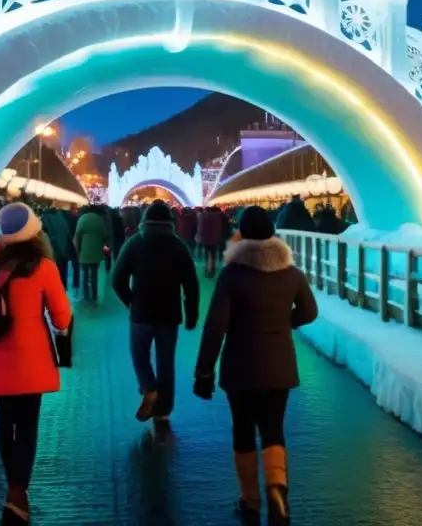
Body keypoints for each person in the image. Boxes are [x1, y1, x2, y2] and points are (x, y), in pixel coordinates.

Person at [194, 206, 319, 525]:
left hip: (240, 369)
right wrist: (283, 322)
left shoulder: (232, 275)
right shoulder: (291, 273)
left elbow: (215, 326)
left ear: (242, 234)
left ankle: (250, 500)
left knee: (244, 431)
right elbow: (309, 311)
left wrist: (204, 371)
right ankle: (278, 490)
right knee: (274, 430)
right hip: (280, 369)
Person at [0, 203, 72, 524]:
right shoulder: (43, 267)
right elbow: (62, 317)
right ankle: (18, 492)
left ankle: (13, 489)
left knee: (6, 423)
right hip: (31, 358)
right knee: (27, 426)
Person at [111, 200, 200, 426]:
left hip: (141, 312)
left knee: (139, 355)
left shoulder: (134, 244)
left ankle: (149, 387)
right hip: (169, 315)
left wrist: (130, 300)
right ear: (170, 222)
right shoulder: (179, 246)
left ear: (144, 220)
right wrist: (191, 315)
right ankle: (163, 409)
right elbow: (191, 284)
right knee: (166, 361)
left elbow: (117, 278)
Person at [74, 205, 108, 300]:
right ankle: (94, 295)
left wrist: (77, 251)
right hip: (96, 253)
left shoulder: (82, 219)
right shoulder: (99, 219)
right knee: (94, 275)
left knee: (85, 275)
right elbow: (105, 235)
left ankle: (86, 296)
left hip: (84, 254)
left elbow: (77, 237)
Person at [196, 206, 225, 277]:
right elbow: (224, 228)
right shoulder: (220, 217)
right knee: (213, 254)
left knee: (206, 253)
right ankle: (212, 269)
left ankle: (206, 268)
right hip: (215, 238)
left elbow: (200, 227)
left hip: (206, 238)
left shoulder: (204, 216)